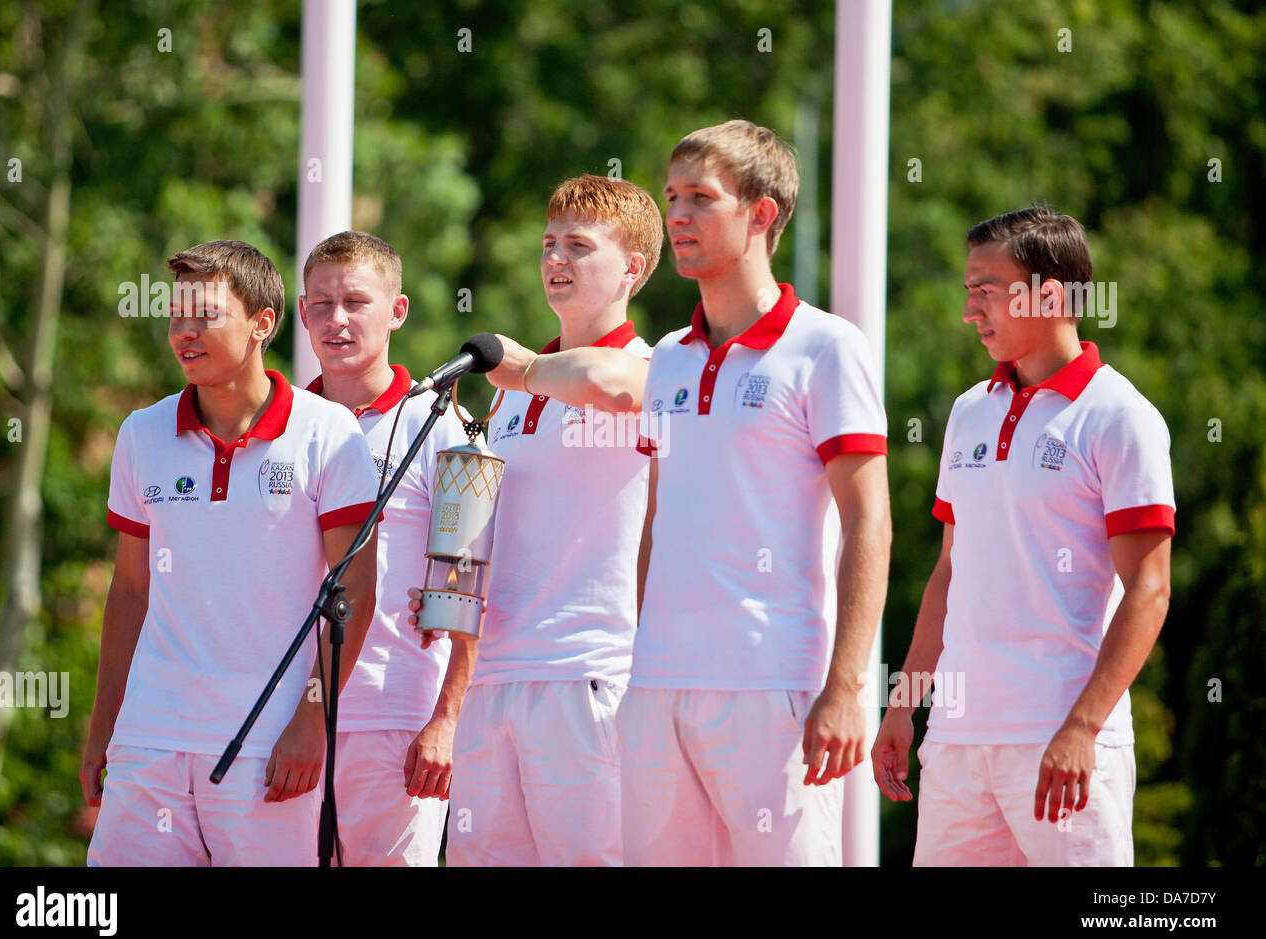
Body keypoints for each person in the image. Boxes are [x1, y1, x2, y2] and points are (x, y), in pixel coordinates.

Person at [622, 119, 893, 866]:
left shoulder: (828, 346)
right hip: (657, 686)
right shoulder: (669, 358)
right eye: (671, 196)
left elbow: (870, 522)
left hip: (775, 686)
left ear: (763, 214)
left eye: (700, 198)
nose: (675, 215)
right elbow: (655, 518)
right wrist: (645, 658)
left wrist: (847, 687)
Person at [870, 206, 1175, 866]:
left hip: (1060, 741)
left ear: (1052, 293)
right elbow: (951, 573)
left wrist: (1082, 728)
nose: (969, 310)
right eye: (967, 291)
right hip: (957, 741)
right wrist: (905, 705)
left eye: (986, 290)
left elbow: (1150, 590)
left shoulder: (1121, 417)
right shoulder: (969, 410)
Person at [82, 240, 379, 866]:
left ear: (262, 324)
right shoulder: (142, 433)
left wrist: (311, 720)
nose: (184, 333)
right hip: (150, 739)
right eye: (175, 316)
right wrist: (105, 725)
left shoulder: (328, 433)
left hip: (267, 744)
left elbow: (354, 592)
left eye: (206, 315)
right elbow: (131, 589)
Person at [410, 173, 663, 866]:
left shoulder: (655, 365)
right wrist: (445, 588)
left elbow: (616, 386)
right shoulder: (514, 393)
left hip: (592, 675)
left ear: (632, 268)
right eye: (549, 242)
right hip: (494, 678)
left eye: (579, 245)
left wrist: (521, 370)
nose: (556, 258)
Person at [298, 231, 473, 866]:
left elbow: (471, 583)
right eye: (320, 304)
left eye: (355, 302)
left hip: (396, 721)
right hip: (284, 717)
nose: (336, 320)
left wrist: (446, 721)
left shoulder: (444, 428)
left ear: (397, 312)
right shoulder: (283, 424)